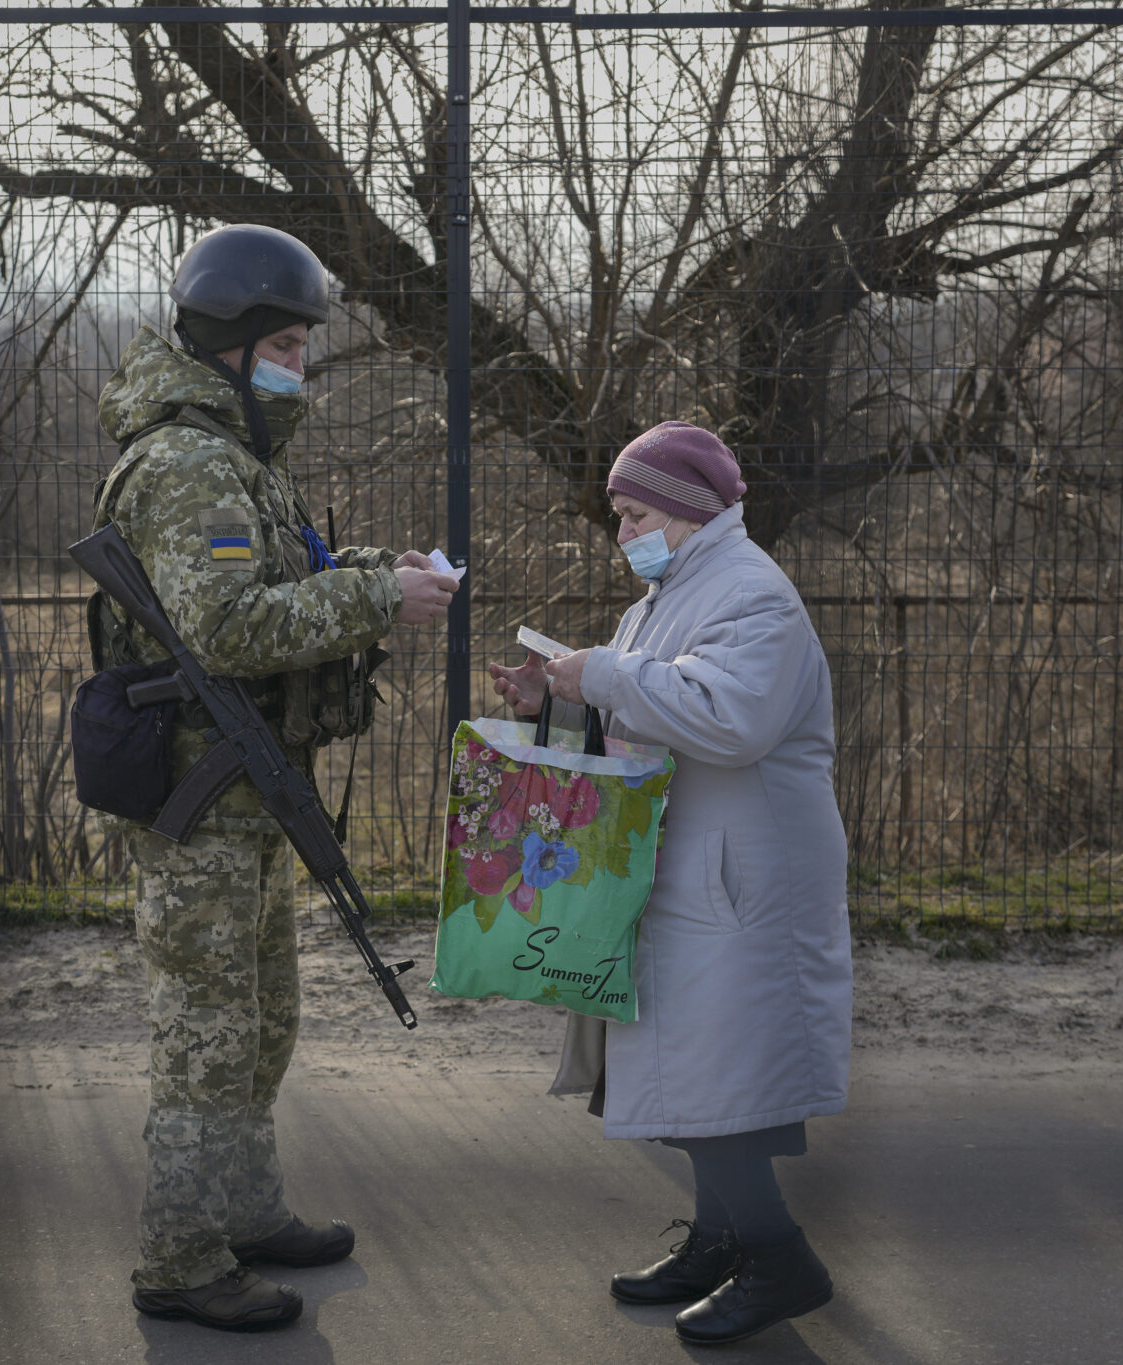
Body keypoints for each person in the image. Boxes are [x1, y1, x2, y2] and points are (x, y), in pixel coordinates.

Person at [92, 223, 459, 1331]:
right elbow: (227, 627)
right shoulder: (189, 462)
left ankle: (242, 1214)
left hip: (246, 802)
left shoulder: (237, 456)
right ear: (232, 342)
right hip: (201, 808)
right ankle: (179, 1260)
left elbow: (283, 570)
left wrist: (366, 573)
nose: (299, 363)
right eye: (288, 343)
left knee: (262, 1022)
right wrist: (376, 604)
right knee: (207, 1036)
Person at [488, 420, 851, 1347]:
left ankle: (779, 1262)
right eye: (617, 514)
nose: (624, 532)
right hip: (698, 869)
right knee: (692, 1067)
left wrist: (601, 672)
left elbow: (729, 719)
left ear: (691, 512)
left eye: (637, 511)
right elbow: (653, 710)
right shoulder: (673, 593)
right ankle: (721, 1239)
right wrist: (560, 697)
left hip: (743, 884)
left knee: (714, 1075)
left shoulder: (754, 596)